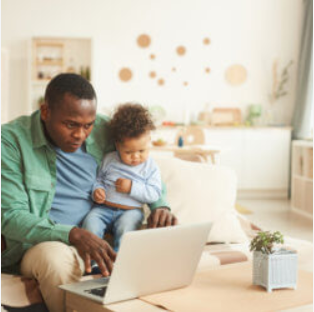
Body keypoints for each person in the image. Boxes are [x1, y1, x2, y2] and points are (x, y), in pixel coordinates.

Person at [1, 73, 178, 312]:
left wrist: (160, 205)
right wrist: (73, 234)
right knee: (55, 260)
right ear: (46, 112)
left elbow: (142, 164)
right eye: (70, 124)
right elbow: (10, 217)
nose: (80, 134)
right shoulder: (10, 141)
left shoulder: (104, 128)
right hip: (42, 243)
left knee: (163, 244)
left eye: (87, 125)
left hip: (100, 231)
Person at [82, 103, 162, 252]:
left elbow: (154, 193)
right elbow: (99, 178)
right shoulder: (109, 159)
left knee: (126, 228)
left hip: (131, 211)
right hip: (103, 208)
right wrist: (97, 190)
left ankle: (119, 260)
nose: (136, 156)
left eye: (141, 150)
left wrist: (132, 187)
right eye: (128, 152)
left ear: (149, 140)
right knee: (90, 222)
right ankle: (93, 260)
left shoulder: (150, 166)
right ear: (118, 145)